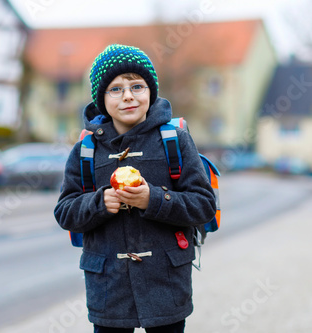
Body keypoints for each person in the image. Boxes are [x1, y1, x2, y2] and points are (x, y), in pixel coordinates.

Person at [54, 44, 217, 333]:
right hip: (108, 288)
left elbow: (203, 205)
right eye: (115, 89)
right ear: (101, 98)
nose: (128, 95)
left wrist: (152, 199)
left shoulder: (174, 140)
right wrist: (99, 202)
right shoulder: (85, 151)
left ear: (150, 92)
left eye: (137, 86)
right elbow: (65, 213)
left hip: (166, 284)